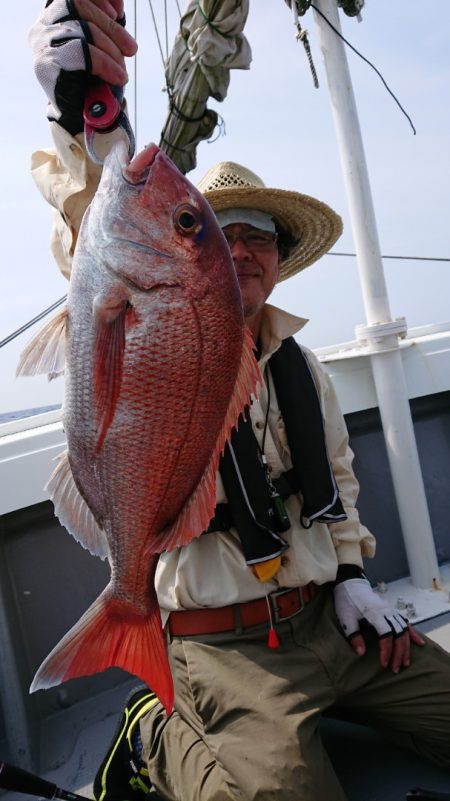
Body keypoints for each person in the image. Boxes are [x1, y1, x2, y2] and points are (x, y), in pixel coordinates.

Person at [29, 3, 450, 800]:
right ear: (202, 257)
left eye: (262, 236)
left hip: (332, 619)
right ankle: (159, 728)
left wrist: (356, 575)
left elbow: (339, 479)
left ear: (276, 262)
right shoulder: (138, 288)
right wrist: (78, 112)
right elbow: (92, 214)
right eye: (221, 229)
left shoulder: (304, 369)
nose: (247, 248)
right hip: (223, 644)